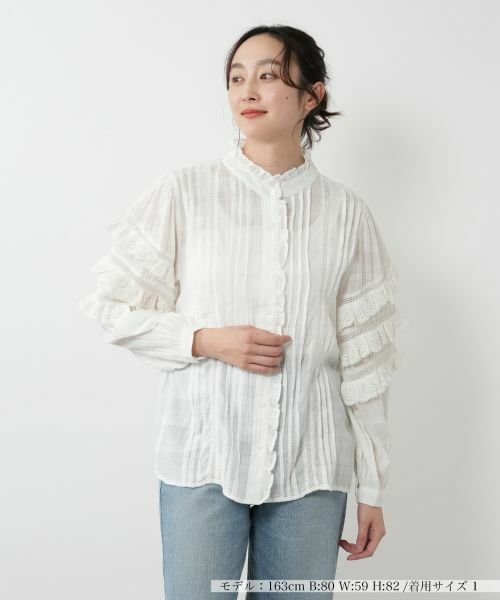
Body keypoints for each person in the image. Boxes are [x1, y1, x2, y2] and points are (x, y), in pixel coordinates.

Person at [78, 24, 406, 600]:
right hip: (203, 459)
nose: (247, 91)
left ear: (312, 96)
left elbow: (365, 363)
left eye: (268, 76)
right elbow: (113, 308)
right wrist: (204, 339)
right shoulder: (184, 193)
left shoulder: (347, 215)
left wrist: (372, 488)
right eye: (236, 78)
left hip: (310, 467)